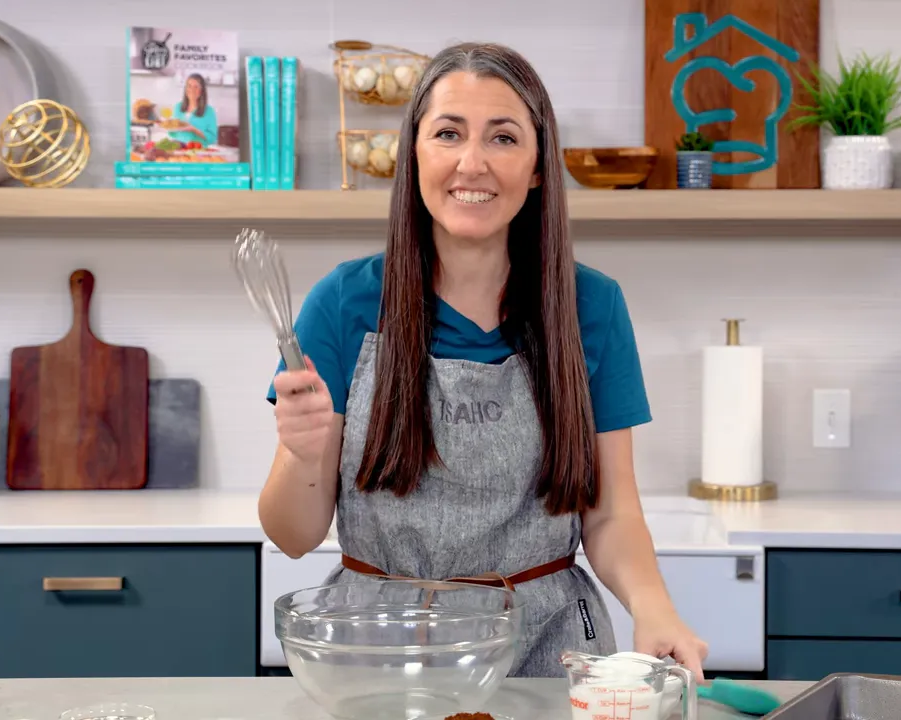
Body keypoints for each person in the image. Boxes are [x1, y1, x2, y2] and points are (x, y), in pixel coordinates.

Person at [259, 41, 708, 678]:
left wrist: (653, 604)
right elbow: (293, 534)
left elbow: (611, 513)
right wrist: (302, 457)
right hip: (377, 653)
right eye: (448, 133)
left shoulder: (591, 307)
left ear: (535, 167)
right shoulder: (343, 304)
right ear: (413, 155)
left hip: (546, 650)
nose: (472, 163)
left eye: (502, 137)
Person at [167, 73, 218, 147]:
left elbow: (212, 138)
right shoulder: (178, 107)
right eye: (189, 86)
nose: (192, 90)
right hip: (179, 150)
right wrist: (169, 125)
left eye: (196, 87)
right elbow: (173, 133)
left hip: (198, 152)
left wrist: (194, 130)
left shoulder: (209, 111)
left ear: (201, 91)